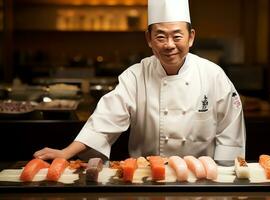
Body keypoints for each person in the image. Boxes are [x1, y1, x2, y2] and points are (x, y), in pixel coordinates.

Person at [34, 0, 246, 162]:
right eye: (161, 37)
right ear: (149, 39)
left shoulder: (213, 75)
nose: (169, 45)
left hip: (200, 181)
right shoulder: (135, 75)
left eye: (177, 36)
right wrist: (65, 153)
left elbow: (230, 135)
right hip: (145, 179)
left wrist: (222, 182)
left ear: (191, 37)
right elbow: (105, 119)